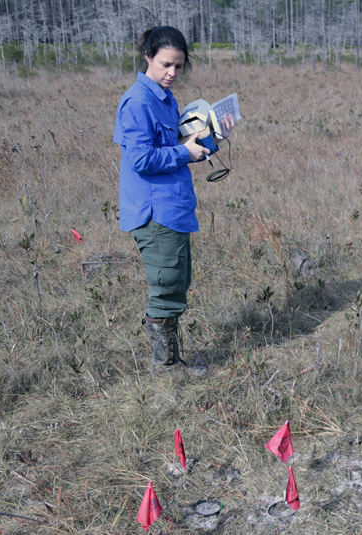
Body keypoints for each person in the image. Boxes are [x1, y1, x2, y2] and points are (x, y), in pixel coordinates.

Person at [112, 26, 233, 373]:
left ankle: (172, 361)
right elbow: (140, 159)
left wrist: (204, 138)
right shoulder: (137, 101)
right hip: (154, 211)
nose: (172, 73)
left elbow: (173, 147)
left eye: (179, 66)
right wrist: (183, 152)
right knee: (166, 286)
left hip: (174, 206)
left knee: (177, 282)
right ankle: (165, 368)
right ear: (147, 57)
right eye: (166, 64)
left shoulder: (166, 99)